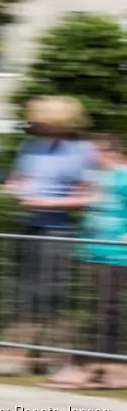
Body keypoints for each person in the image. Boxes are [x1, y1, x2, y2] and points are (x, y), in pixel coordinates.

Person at [0, 95, 95, 377]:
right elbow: (16, 181)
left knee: (52, 295)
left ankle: (60, 359)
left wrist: (46, 203)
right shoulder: (30, 147)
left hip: (59, 230)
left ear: (59, 123)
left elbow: (87, 196)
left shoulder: (83, 151)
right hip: (30, 227)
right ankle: (16, 356)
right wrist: (14, 190)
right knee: (25, 293)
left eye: (41, 122)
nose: (34, 126)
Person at [42, 133, 127, 389]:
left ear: (107, 150)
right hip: (93, 252)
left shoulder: (124, 175)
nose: (88, 156)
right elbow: (88, 201)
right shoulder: (99, 176)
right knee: (96, 312)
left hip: (117, 256)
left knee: (107, 313)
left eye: (93, 151)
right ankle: (95, 369)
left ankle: (99, 371)